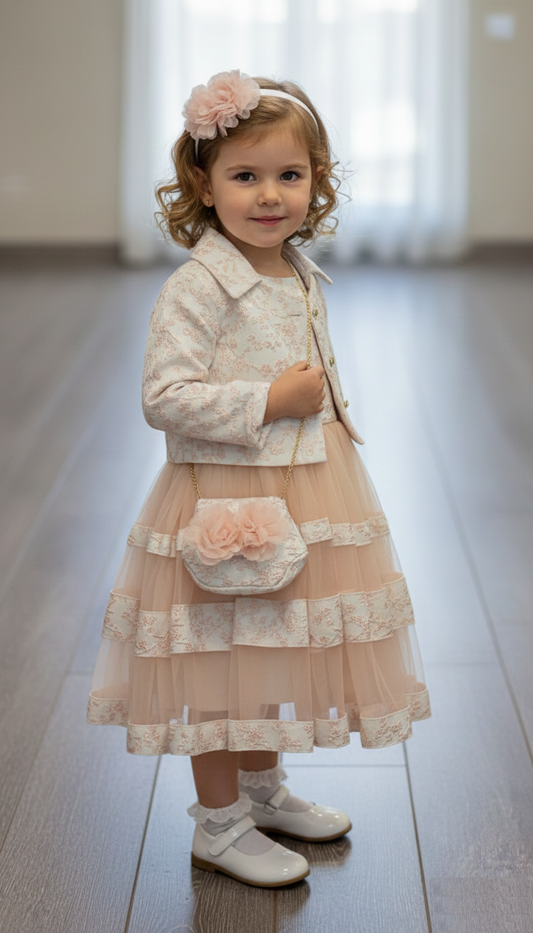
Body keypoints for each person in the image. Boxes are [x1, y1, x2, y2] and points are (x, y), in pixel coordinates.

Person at [87, 70, 430, 888]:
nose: (269, 195)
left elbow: (312, 362)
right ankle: (216, 821)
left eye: (289, 175)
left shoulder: (295, 267)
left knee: (268, 650)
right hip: (225, 495)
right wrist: (269, 400)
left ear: (318, 182)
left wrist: (331, 415)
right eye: (244, 176)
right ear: (203, 184)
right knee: (214, 662)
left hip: (306, 485)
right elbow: (163, 398)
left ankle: (260, 787)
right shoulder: (199, 286)